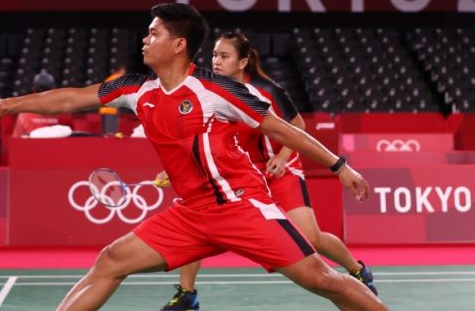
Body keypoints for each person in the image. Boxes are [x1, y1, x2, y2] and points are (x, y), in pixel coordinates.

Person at [0, 3, 388, 311]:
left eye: (153, 33)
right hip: (191, 213)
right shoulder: (135, 89)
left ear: (178, 44)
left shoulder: (216, 90)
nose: (145, 39)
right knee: (110, 260)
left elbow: (282, 129)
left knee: (322, 280)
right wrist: (8, 105)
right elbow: (71, 96)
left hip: (240, 206)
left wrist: (339, 165)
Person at [159, 31, 378, 311]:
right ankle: (187, 293)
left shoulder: (267, 90)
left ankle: (357, 270)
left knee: (310, 238)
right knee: (199, 220)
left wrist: (284, 157)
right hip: (242, 176)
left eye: (224, 56)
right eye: (214, 55)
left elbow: (298, 125)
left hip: (280, 170)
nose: (216, 61)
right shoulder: (208, 93)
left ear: (243, 62)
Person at [12, 70, 72, 137]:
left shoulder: (24, 114)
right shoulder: (64, 111)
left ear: (34, 89)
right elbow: (71, 139)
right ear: (54, 89)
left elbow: (17, 142)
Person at [98, 64, 126, 135]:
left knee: (107, 133)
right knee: (110, 134)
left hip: (105, 108)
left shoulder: (109, 78)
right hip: (110, 109)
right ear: (121, 70)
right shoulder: (118, 77)